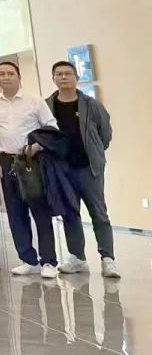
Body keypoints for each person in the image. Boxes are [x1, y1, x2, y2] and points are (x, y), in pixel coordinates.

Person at [0, 61, 60, 278]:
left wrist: (36, 147)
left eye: (10, 73)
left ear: (19, 77)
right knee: (15, 212)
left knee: (39, 210)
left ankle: (48, 261)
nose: (6, 77)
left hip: (31, 160)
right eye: (1, 74)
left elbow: (52, 127)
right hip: (5, 161)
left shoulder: (34, 101)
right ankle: (27, 258)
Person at [47, 60, 119, 278]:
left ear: (76, 78)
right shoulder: (47, 105)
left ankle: (108, 259)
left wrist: (95, 152)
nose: (63, 77)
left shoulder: (91, 104)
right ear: (53, 79)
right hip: (62, 169)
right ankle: (77, 257)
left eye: (68, 73)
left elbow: (105, 134)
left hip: (89, 169)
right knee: (69, 213)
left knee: (99, 213)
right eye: (59, 74)